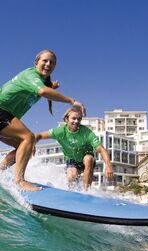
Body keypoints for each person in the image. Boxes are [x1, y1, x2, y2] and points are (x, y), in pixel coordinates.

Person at [0, 50, 85, 191]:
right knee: (28, 138)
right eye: (44, 61)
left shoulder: (43, 81)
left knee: (24, 148)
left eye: (52, 62)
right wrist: (72, 101)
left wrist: (52, 86)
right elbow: (43, 92)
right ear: (36, 62)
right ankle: (20, 181)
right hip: (1, 111)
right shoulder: (31, 74)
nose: (48, 64)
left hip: (4, 116)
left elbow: (46, 88)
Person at [35, 106, 114, 191]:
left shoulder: (86, 132)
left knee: (88, 159)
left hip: (87, 159)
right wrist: (32, 144)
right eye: (73, 118)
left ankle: (86, 191)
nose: (76, 121)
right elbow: (38, 135)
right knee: (71, 177)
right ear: (66, 119)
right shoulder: (60, 131)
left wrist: (108, 166)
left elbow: (102, 150)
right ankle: (73, 192)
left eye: (79, 119)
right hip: (72, 160)